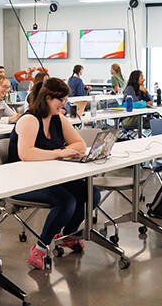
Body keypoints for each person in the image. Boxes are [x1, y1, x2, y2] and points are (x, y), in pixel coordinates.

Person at [7, 77, 98, 270]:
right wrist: (60, 152)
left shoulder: (58, 119)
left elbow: (80, 144)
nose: (64, 104)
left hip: (50, 177)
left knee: (92, 193)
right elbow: (26, 153)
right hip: (23, 182)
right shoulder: (29, 120)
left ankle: (67, 235)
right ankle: (41, 246)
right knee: (67, 201)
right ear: (48, 98)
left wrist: (63, 152)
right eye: (61, 100)